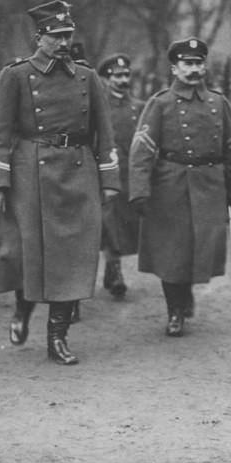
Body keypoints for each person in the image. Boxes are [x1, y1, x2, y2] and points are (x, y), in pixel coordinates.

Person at [0, 0, 120, 365]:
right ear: (39, 37)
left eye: (67, 35)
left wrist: (109, 179)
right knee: (29, 252)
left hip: (78, 171)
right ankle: (22, 311)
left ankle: (57, 336)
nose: (63, 43)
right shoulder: (15, 76)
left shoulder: (87, 77)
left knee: (74, 255)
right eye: (56, 36)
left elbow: (104, 132)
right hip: (30, 173)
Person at [129, 37, 231, 338]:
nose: (194, 69)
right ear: (174, 68)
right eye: (187, 64)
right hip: (171, 184)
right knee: (173, 251)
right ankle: (175, 310)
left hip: (210, 184)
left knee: (202, 246)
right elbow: (142, 149)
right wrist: (140, 190)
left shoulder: (218, 103)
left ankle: (185, 291)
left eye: (198, 63)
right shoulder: (161, 103)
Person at [97, 53, 145, 299]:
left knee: (125, 225)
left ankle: (111, 267)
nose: (123, 80)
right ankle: (115, 271)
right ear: (107, 79)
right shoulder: (98, 107)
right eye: (117, 76)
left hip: (130, 175)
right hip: (106, 172)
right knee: (109, 222)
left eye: (126, 75)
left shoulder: (139, 107)